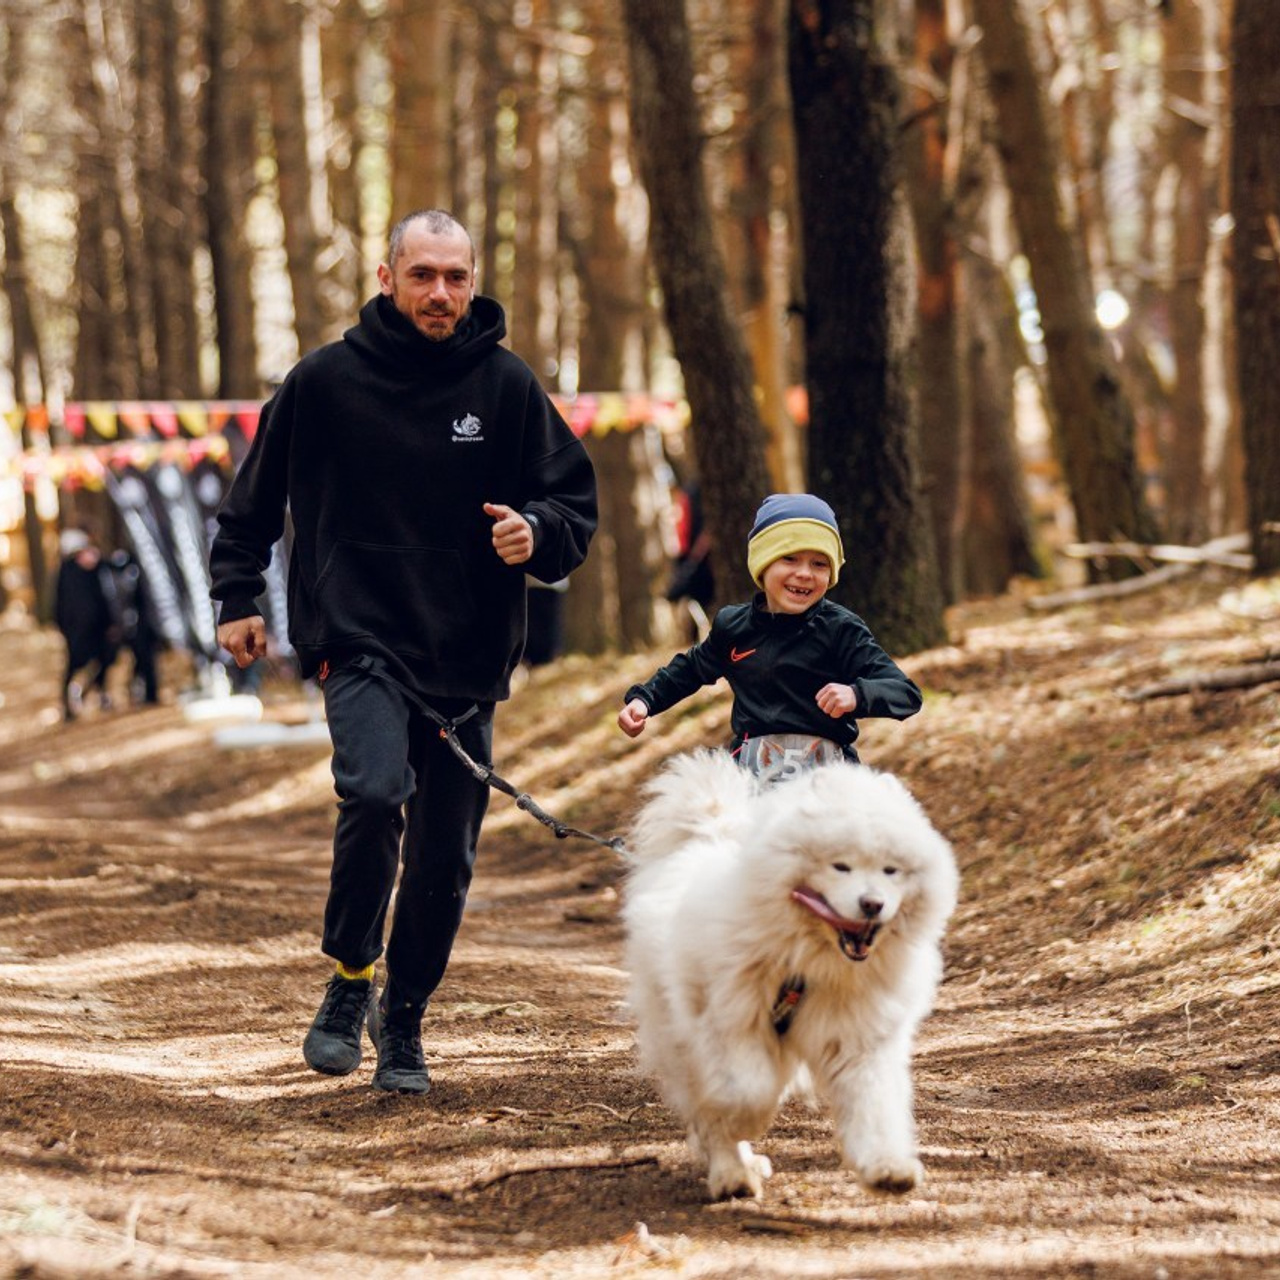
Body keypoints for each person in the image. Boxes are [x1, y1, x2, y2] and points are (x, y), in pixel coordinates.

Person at [209, 209, 597, 1095]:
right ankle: (350, 979)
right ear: (387, 278)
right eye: (423, 275)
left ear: (473, 279)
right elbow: (253, 503)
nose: (441, 294)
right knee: (377, 789)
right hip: (358, 634)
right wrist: (238, 596)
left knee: (446, 855)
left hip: (465, 655)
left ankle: (407, 1013)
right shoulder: (324, 382)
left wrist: (535, 533)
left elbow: (572, 503)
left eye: (456, 277)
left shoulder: (504, 386)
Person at [618, 493, 921, 779]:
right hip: (751, 772)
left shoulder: (841, 628)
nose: (805, 573)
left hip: (827, 776)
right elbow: (689, 669)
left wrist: (857, 694)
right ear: (763, 563)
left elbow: (905, 693)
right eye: (790, 559)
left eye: (819, 563)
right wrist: (645, 700)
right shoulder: (733, 625)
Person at [53, 528, 118, 720]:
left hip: (98, 625)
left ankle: (98, 691)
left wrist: (110, 621)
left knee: (105, 658)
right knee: (74, 664)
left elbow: (105, 597)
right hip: (77, 629)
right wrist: (64, 627)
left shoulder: (96, 570)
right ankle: (68, 702)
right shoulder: (66, 573)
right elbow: (60, 604)